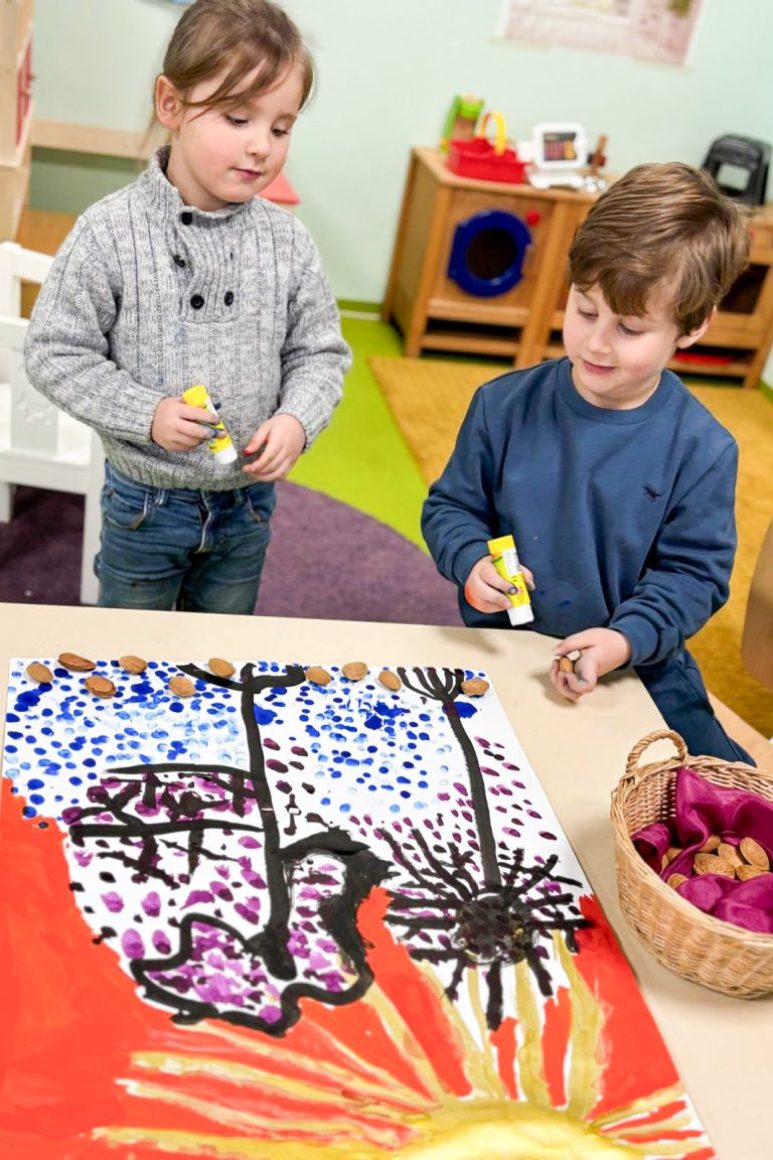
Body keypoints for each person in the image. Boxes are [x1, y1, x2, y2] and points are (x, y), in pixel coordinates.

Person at [25, 0, 350, 615]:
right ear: (170, 104)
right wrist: (145, 413)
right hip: (144, 504)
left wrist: (298, 419)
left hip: (247, 506)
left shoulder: (288, 241)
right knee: (133, 652)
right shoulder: (109, 232)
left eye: (280, 129)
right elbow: (54, 352)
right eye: (237, 117)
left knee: (221, 650)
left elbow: (320, 353)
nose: (261, 146)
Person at [422, 161, 754, 764]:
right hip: (507, 649)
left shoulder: (703, 449)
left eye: (630, 327)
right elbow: (452, 507)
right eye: (584, 309)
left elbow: (694, 577)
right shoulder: (502, 405)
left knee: (718, 786)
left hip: (638, 663)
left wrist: (622, 640)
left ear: (692, 326)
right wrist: (470, 561)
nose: (597, 342)